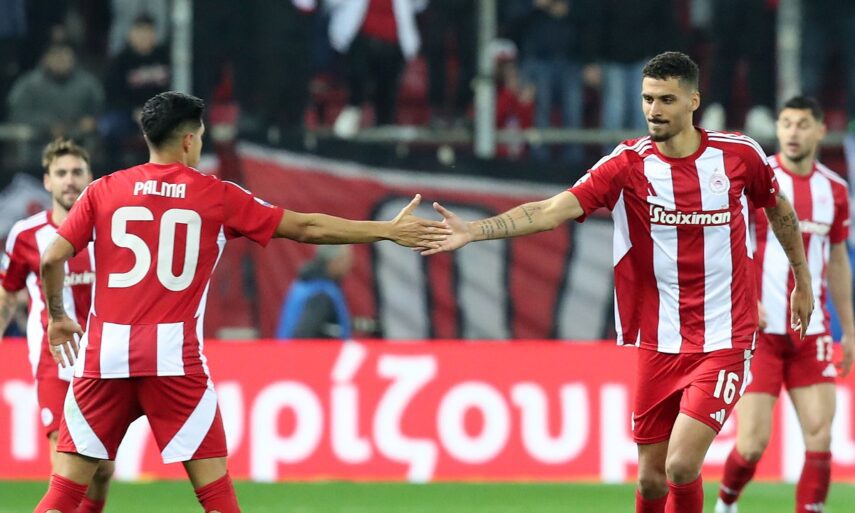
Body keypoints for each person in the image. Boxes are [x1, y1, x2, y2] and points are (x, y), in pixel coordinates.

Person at [422, 51, 814, 513]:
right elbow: (550, 210)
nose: (654, 110)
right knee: (651, 479)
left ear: (693, 101)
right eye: (648, 99)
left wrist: (802, 280)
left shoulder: (738, 155)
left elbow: (779, 209)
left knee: (680, 466)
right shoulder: (628, 164)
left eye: (666, 100)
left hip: (726, 337)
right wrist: (475, 230)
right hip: (658, 340)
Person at [33, 91, 448, 513]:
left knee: (63, 493)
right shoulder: (215, 195)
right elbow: (306, 227)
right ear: (189, 141)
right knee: (217, 498)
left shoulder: (103, 190)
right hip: (174, 363)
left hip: (104, 359)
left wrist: (58, 316)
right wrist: (386, 230)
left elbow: (51, 258)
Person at [715, 97, 854, 513]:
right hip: (761, 333)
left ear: (820, 131)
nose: (793, 132)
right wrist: (745, 297)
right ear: (777, 129)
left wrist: (849, 329)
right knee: (752, 444)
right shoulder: (758, 180)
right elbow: (726, 243)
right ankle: (726, 503)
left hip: (812, 334)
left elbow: (837, 261)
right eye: (786, 123)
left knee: (820, 436)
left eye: (802, 124)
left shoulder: (835, 189)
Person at [0, 138, 114, 513]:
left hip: (106, 361)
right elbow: (7, 295)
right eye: (61, 173)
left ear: (90, 177)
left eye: (77, 172)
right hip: (54, 361)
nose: (70, 180)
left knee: (101, 470)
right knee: (64, 460)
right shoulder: (26, 234)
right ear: (47, 181)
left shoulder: (113, 230)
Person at [276, 245, 354, 339]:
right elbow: (304, 334)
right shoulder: (321, 294)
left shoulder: (306, 284)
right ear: (334, 262)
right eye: (346, 260)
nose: (350, 265)